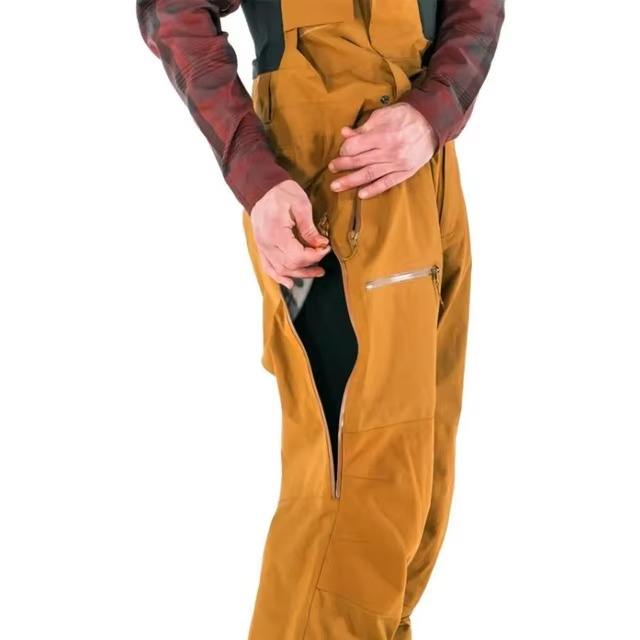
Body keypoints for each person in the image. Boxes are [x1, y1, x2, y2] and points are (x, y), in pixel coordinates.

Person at [136, 0, 504, 637]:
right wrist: (254, 173)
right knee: (354, 492)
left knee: (416, 499)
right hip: (325, 170)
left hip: (424, 161)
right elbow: (173, 8)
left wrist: (434, 110)